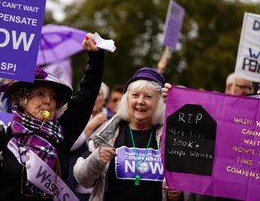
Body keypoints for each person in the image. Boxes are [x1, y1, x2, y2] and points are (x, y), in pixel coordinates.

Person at [0, 34, 104, 200]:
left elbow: (85, 100)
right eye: (40, 94)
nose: (47, 101)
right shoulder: (3, 136)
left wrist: (95, 57)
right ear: (23, 99)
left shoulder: (61, 134)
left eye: (53, 97)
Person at [73, 67, 181, 201]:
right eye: (135, 95)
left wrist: (177, 194)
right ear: (127, 99)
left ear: (159, 102)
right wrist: (96, 160)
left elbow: (188, 177)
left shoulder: (170, 136)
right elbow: (82, 179)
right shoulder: (106, 133)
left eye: (148, 96)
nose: (140, 101)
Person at [68, 82, 111, 201]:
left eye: (98, 94)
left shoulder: (113, 119)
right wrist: (90, 127)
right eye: (92, 94)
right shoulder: (77, 117)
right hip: (75, 184)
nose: (94, 98)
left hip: (101, 187)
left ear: (104, 98)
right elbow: (69, 146)